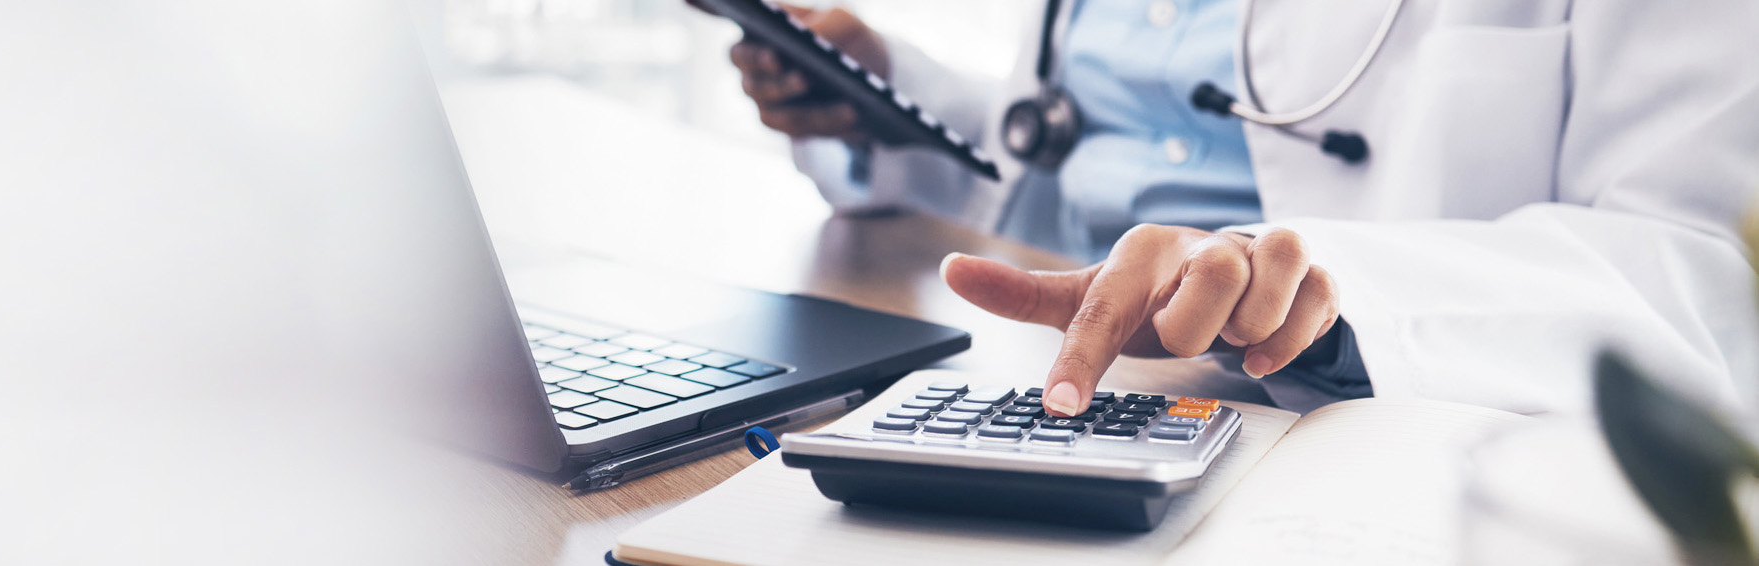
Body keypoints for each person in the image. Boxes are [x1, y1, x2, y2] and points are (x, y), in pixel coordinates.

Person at [723, 0, 1759, 416]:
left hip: (1326, 429)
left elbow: (1692, 263)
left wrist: (1320, 290)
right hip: (1051, 381)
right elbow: (1080, 148)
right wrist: (891, 104)